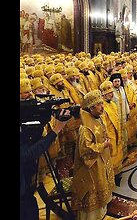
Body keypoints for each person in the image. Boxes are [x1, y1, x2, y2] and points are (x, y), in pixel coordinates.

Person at [20, 78, 71, 220]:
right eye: (26, 93)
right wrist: (56, 129)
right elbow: (27, 154)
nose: (30, 95)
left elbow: (29, 136)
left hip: (26, 183)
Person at [71, 90, 114, 220]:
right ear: (91, 108)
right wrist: (103, 146)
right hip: (91, 168)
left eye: (102, 103)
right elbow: (86, 151)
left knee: (102, 191)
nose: (102, 107)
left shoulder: (98, 117)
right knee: (93, 196)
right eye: (99, 104)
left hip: (101, 163)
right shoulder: (85, 128)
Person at [100, 80, 123, 174]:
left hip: (117, 131)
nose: (111, 95)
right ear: (104, 95)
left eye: (112, 92)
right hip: (109, 135)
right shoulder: (102, 108)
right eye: (109, 93)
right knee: (111, 155)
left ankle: (117, 170)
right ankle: (112, 173)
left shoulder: (113, 104)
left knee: (118, 152)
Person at [110, 72, 130, 161]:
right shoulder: (111, 92)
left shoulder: (122, 89)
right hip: (116, 117)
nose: (117, 83)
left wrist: (127, 111)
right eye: (115, 82)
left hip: (123, 115)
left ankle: (125, 153)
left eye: (118, 81)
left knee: (124, 134)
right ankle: (119, 156)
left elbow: (125, 101)